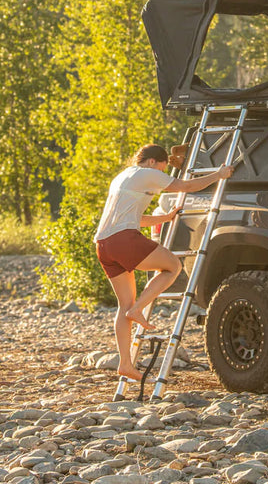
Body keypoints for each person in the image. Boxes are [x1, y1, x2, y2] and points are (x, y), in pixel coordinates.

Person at [94, 143, 233, 381]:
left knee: (123, 306)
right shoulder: (148, 174)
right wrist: (219, 175)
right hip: (123, 239)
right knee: (173, 266)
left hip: (104, 244)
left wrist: (165, 218)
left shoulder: (122, 177)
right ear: (152, 162)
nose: (163, 174)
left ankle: (125, 364)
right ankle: (138, 308)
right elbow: (186, 186)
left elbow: (135, 218)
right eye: (162, 168)